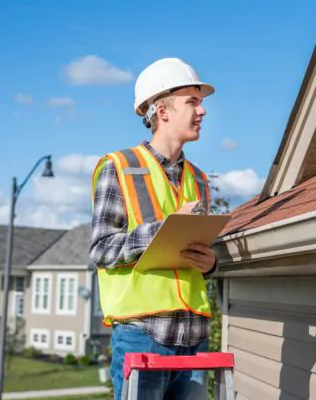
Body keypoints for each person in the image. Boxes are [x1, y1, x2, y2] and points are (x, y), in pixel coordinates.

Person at [89, 57, 218, 400]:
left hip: (194, 338)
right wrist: (166, 228)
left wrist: (210, 264)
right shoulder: (119, 168)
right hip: (143, 334)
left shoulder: (199, 180)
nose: (202, 111)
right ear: (162, 111)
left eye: (201, 103)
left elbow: (194, 257)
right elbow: (101, 249)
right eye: (192, 102)